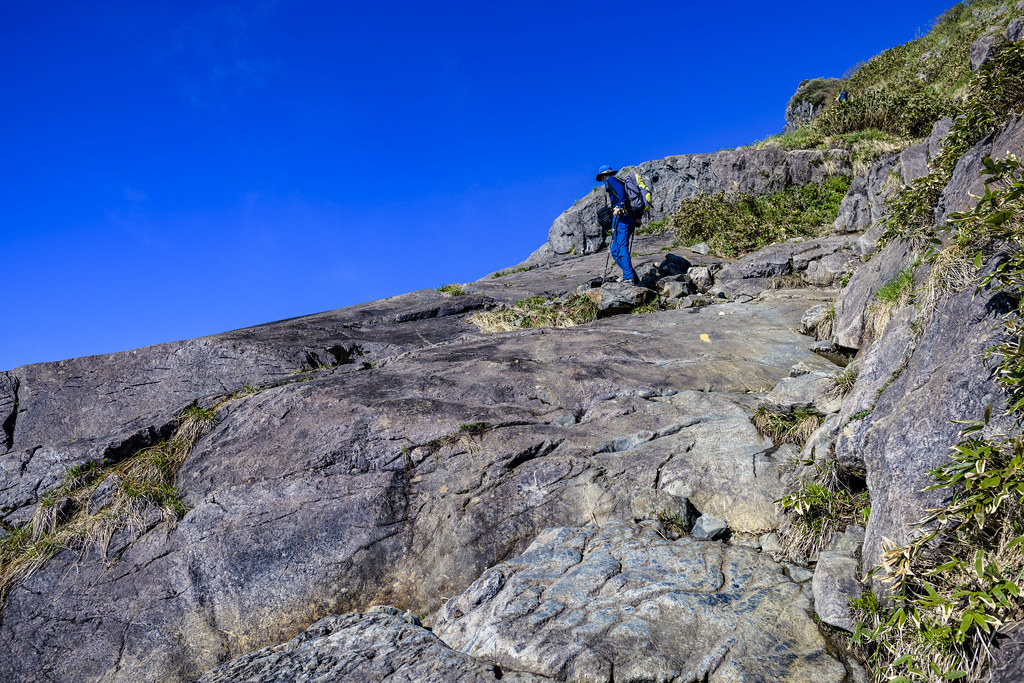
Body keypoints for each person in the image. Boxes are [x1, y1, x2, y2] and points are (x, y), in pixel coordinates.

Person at [595, 164, 639, 285]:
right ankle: (631, 275)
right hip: (626, 218)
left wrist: (619, 207)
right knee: (614, 250)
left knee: (621, 247)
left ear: (603, 176)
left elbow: (621, 193)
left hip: (622, 218)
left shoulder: (611, 180)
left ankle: (629, 277)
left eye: (602, 178)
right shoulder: (616, 181)